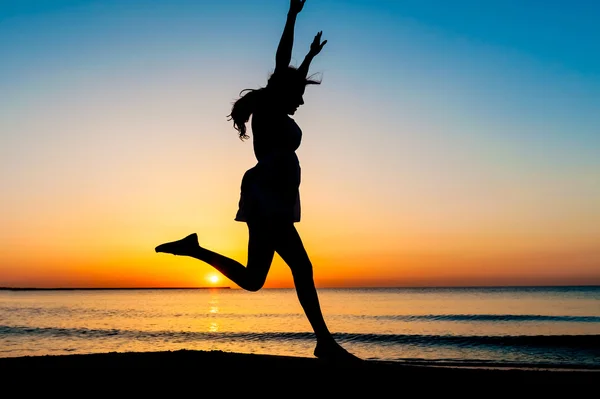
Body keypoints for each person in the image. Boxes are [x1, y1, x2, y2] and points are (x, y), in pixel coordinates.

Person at [155, 0, 360, 362]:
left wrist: (310, 57)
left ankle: (194, 248)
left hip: (271, 193)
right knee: (302, 267)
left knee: (254, 279)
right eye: (298, 95)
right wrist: (292, 16)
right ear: (284, 91)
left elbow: (289, 78)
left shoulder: (275, 107)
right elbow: (282, 65)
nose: (300, 102)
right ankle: (324, 342)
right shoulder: (268, 109)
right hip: (267, 194)